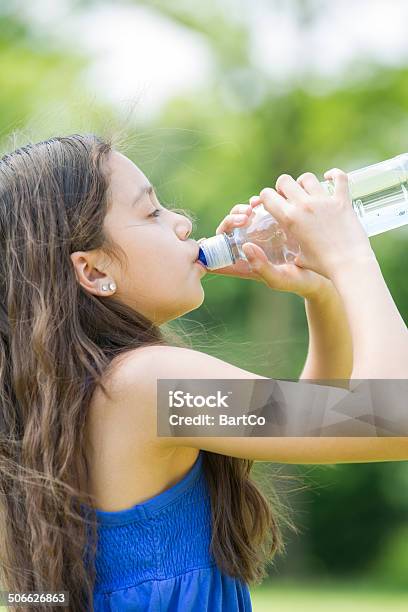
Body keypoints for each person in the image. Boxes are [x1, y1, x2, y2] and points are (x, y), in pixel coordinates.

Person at [0, 134, 406, 612]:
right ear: (92, 270)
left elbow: (326, 425)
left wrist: (321, 296)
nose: (183, 222)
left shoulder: (53, 404)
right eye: (151, 212)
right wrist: (349, 257)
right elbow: (392, 419)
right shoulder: (146, 382)